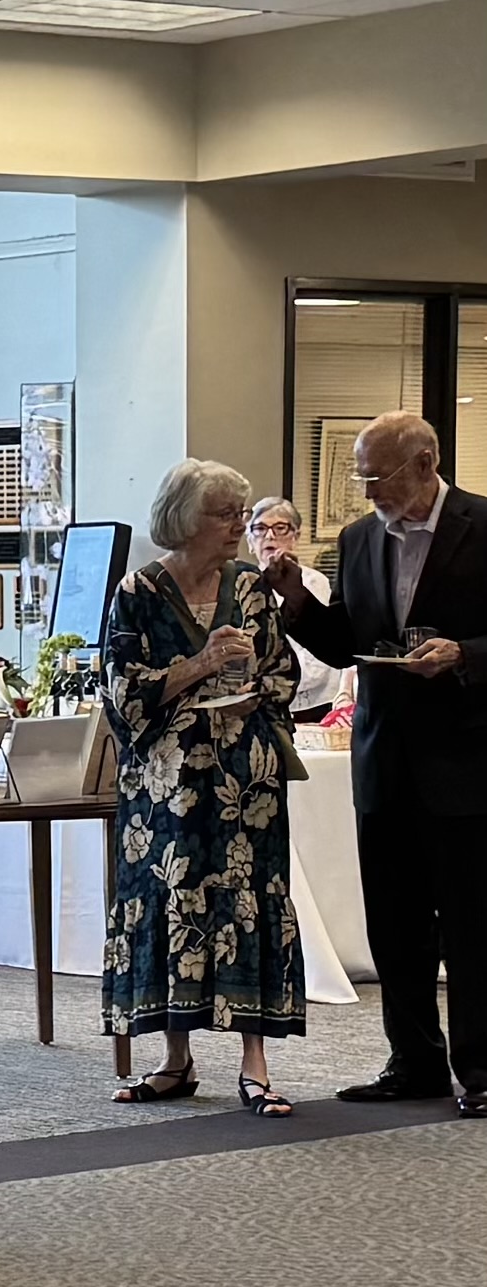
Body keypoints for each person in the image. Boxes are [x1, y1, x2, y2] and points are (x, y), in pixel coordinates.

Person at [264, 411, 487, 1118]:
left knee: (473, 926)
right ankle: (413, 1060)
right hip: (383, 759)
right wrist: (296, 599)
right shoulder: (359, 540)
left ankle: (481, 1069)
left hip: (467, 761)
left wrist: (464, 655)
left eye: (378, 478)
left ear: (426, 464)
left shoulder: (484, 526)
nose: (367, 495)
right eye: (360, 479)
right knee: (395, 925)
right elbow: (346, 641)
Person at [101, 458, 306, 1116]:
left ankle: (255, 1063)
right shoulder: (138, 592)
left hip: (245, 781)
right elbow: (122, 691)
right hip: (168, 787)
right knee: (173, 898)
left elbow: (283, 669)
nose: (239, 526)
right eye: (226, 514)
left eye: (242, 514)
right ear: (186, 520)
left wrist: (254, 694)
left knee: (247, 901)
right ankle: (175, 1058)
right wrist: (201, 665)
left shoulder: (250, 585)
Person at [246, 497, 352, 723]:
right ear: (249, 541)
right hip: (263, 705)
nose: (270, 536)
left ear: (296, 537)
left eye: (280, 528)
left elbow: (329, 645)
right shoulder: (243, 585)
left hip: (316, 704)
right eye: (260, 529)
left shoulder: (315, 582)